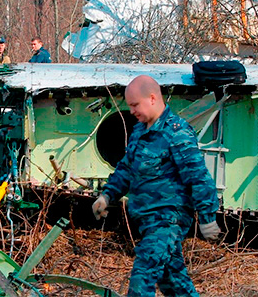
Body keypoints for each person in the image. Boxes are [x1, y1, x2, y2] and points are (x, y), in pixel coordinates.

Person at [92, 75, 220, 296]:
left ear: (152, 98)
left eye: (134, 105)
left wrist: (208, 218)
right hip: (147, 221)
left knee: (143, 273)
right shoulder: (139, 132)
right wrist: (107, 196)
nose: (131, 111)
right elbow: (126, 169)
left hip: (168, 220)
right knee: (174, 282)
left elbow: (197, 176)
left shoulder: (176, 132)